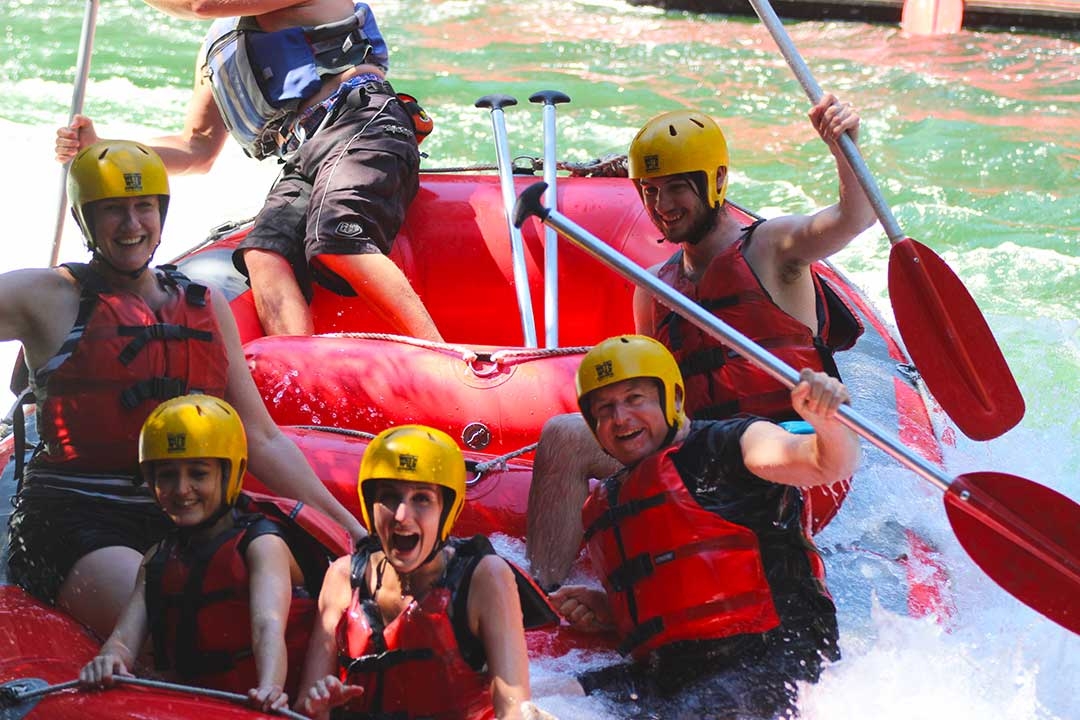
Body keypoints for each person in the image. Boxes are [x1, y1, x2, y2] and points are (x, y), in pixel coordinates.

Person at [3, 140, 364, 642]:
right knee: (174, 629)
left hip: (190, 509)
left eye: (142, 207)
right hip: (76, 522)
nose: (131, 226)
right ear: (86, 219)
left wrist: (357, 534)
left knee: (317, 595)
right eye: (112, 211)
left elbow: (260, 438)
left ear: (161, 211)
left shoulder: (204, 304)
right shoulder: (43, 297)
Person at [526, 95, 875, 587]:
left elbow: (852, 219)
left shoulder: (773, 248)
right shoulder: (652, 287)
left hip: (791, 448)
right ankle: (544, 599)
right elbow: (654, 402)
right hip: (703, 450)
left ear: (715, 181)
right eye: (648, 191)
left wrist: (845, 148)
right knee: (564, 437)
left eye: (675, 188)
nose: (661, 207)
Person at [55, 0, 442, 341]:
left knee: (337, 237)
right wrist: (104, 148)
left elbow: (202, 4)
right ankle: (301, 372)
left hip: (362, 120)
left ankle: (442, 355)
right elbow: (196, 148)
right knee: (263, 254)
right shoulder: (220, 41)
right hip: (305, 152)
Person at [548, 335, 859, 718]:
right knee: (546, 692)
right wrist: (615, 612)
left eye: (634, 399)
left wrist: (827, 424)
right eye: (604, 408)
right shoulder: (608, 498)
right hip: (674, 675)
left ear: (674, 398)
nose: (620, 419)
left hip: (774, 658)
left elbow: (823, 464)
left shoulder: (730, 445)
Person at [79, 395, 351, 713]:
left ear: (230, 474)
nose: (181, 489)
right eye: (166, 475)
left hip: (274, 697)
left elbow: (267, 625)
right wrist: (109, 658)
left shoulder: (261, 543)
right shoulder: (158, 557)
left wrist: (270, 686)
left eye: (198, 474)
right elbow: (125, 639)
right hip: (206, 705)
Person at [296, 424, 558, 720]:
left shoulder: (485, 578)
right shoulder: (344, 578)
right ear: (370, 505)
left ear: (447, 510)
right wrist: (319, 708)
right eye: (389, 497)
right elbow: (305, 706)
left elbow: (513, 710)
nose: (401, 517)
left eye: (422, 499)